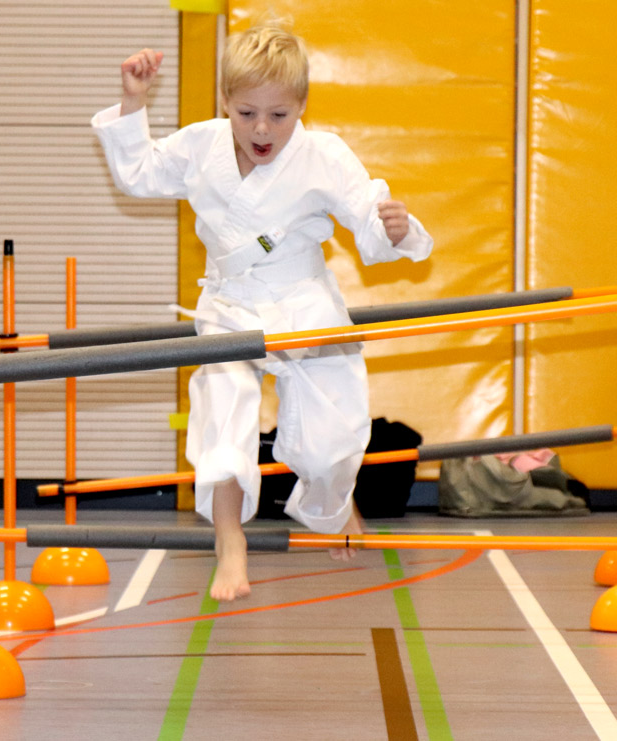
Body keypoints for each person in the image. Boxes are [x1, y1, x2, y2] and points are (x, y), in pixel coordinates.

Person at [92, 24, 433, 602]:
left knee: (332, 441)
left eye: (279, 116)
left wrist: (394, 229)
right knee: (222, 418)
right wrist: (134, 100)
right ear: (225, 99)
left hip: (305, 301)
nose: (261, 130)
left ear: (302, 104)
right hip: (230, 303)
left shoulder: (324, 155)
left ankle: (334, 506)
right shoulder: (201, 145)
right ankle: (230, 542)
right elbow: (139, 174)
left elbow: (368, 218)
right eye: (246, 113)